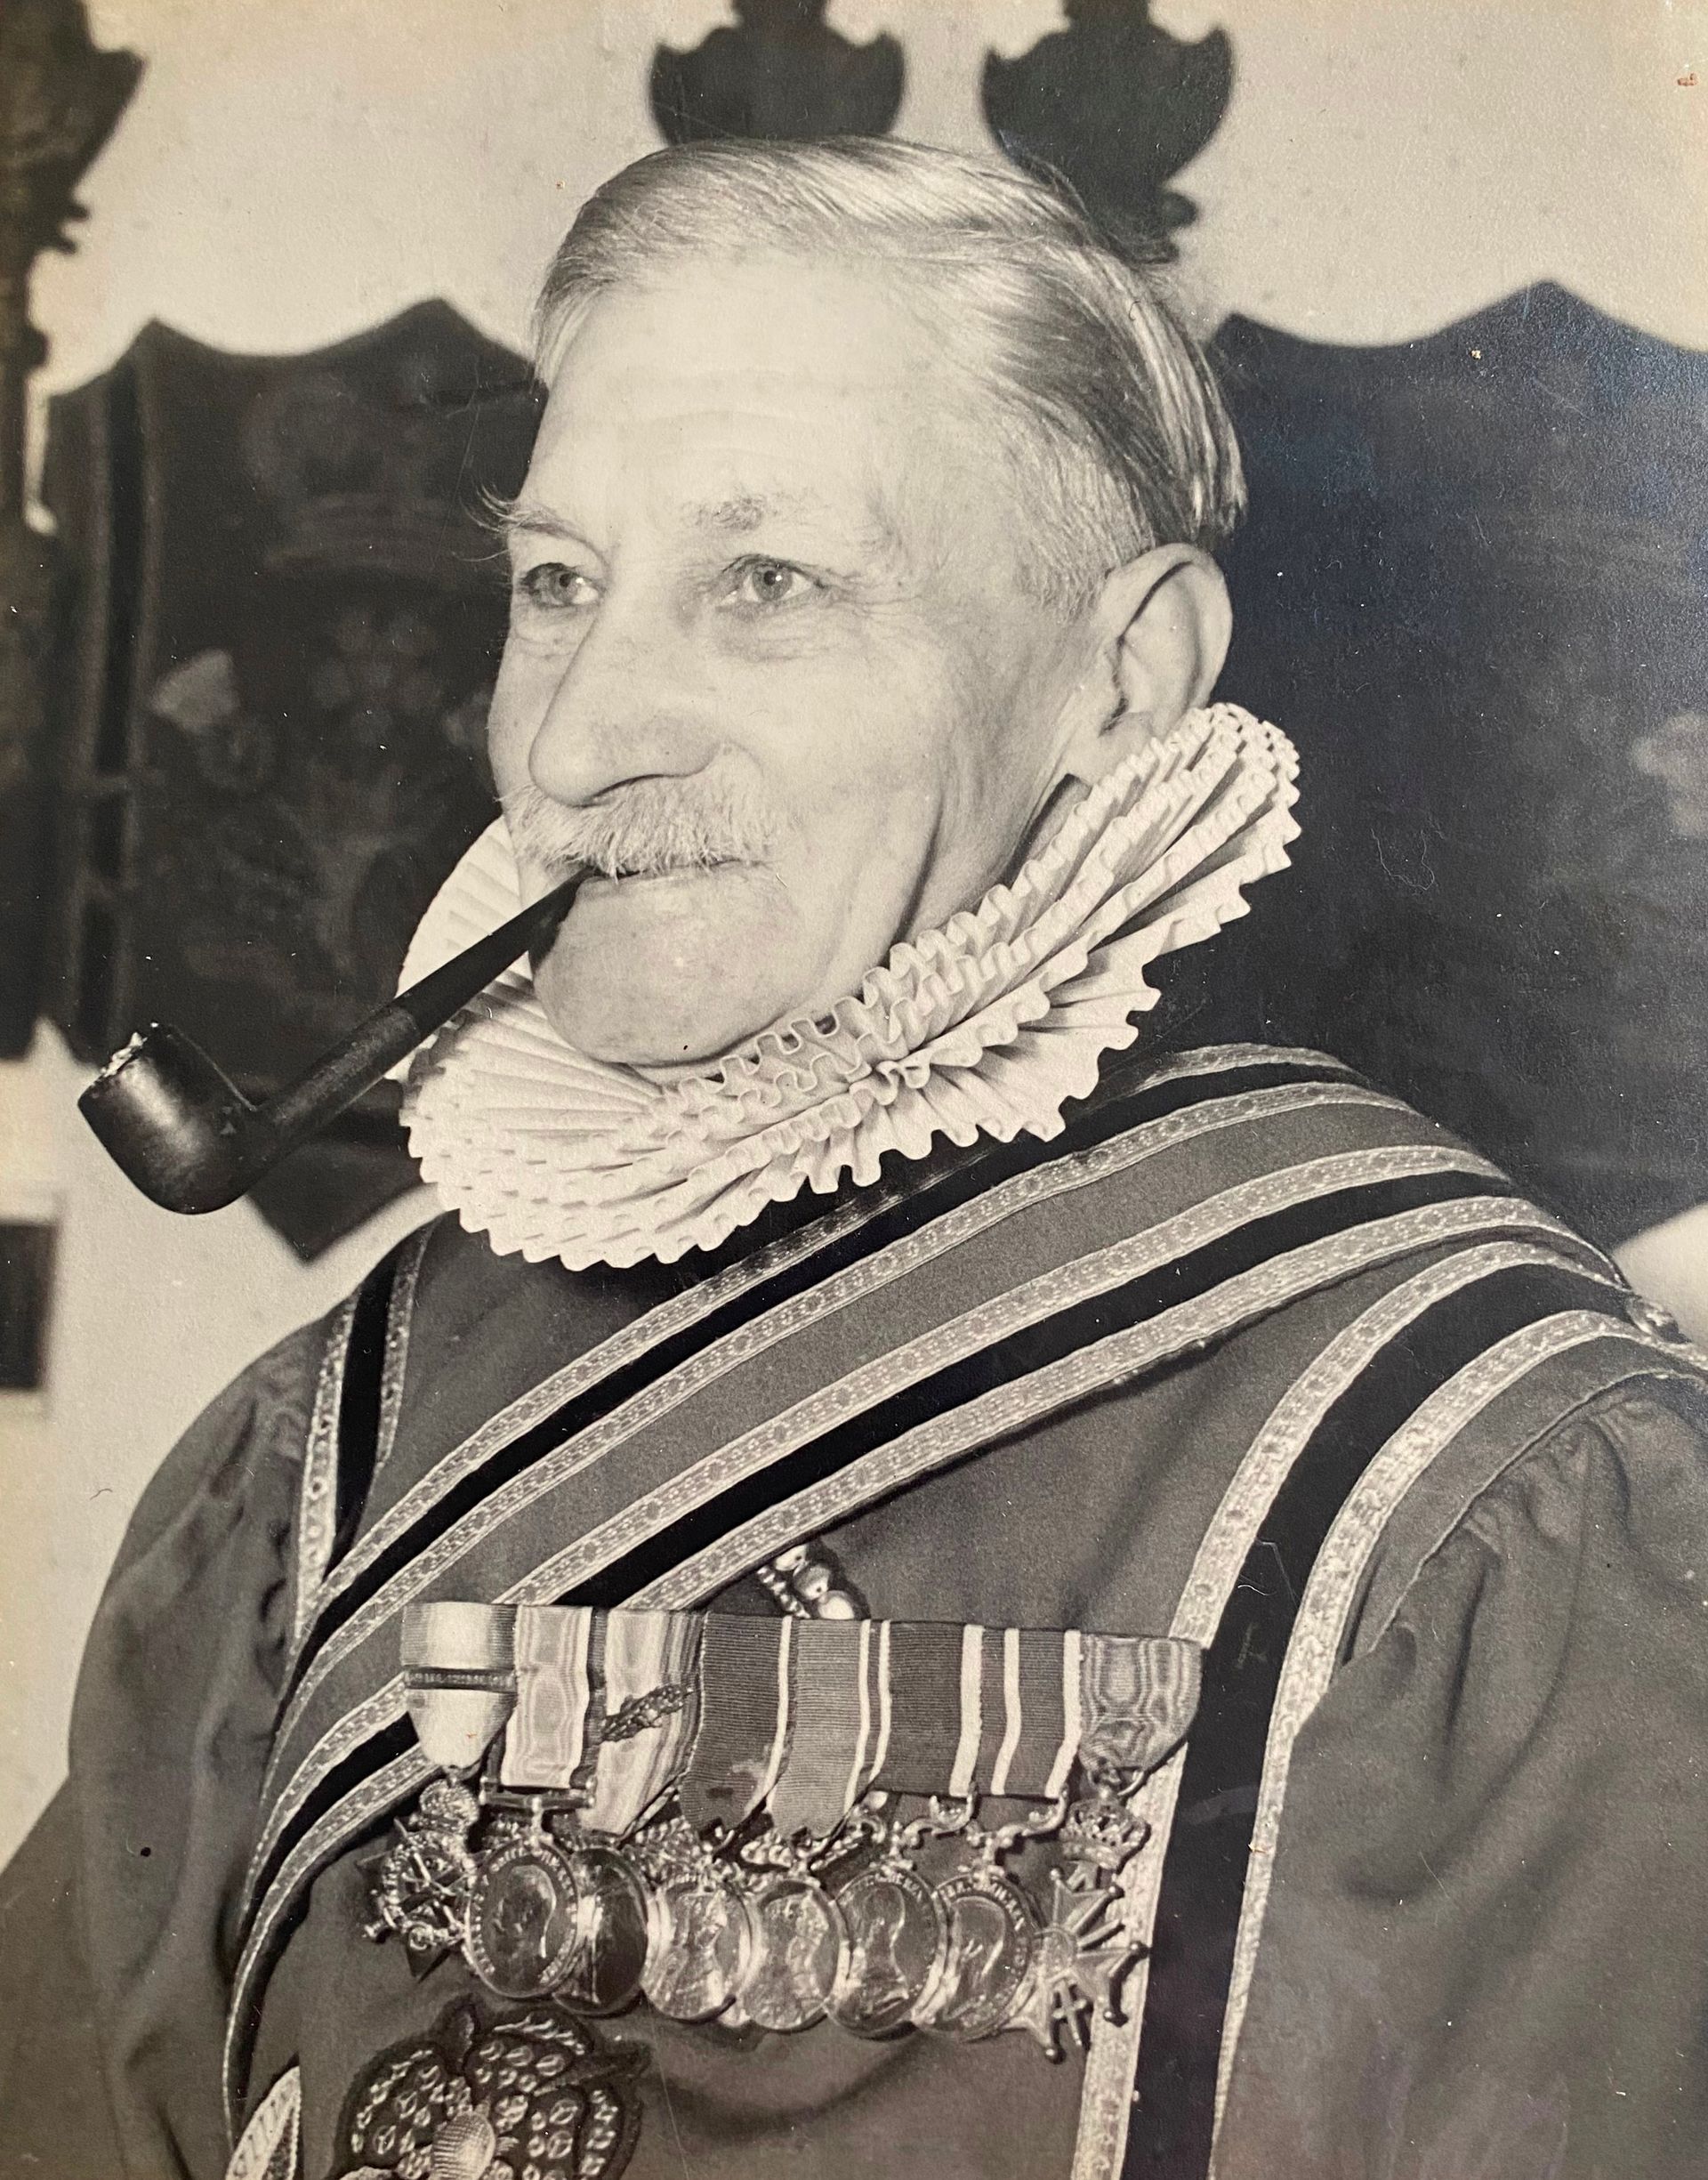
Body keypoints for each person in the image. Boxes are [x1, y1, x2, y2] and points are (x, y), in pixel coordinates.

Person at [4, 137, 1707, 2180]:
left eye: (768, 584)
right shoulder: (328, 1439)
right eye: (558, 583)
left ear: (1124, 676)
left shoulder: (1494, 1470)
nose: (571, 744)